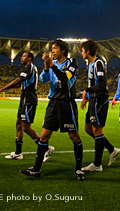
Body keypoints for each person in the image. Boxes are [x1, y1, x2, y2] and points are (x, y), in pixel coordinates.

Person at [20, 39, 85, 180]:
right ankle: (36, 169)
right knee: (43, 137)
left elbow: (65, 78)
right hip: (53, 104)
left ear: (63, 50)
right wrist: (47, 67)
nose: (53, 51)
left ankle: (78, 169)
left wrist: (52, 66)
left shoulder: (72, 63)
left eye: (55, 48)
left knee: (74, 137)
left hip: (67, 105)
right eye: (52, 48)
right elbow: (43, 80)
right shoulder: (52, 64)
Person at [0, 52, 54, 160]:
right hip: (24, 101)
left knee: (25, 127)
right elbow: (18, 84)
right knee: (18, 125)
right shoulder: (27, 68)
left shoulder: (30, 67)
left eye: (24, 56)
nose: (21, 58)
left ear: (30, 58)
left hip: (29, 101)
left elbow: (18, 80)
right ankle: (18, 153)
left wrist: (3, 88)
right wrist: (5, 87)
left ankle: (46, 148)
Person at [79, 39, 120, 172]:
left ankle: (97, 165)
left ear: (88, 51)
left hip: (99, 100)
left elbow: (102, 84)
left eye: (83, 50)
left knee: (97, 130)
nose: (82, 53)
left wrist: (86, 91)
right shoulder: (90, 65)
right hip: (93, 100)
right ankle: (112, 149)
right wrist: (87, 95)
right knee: (88, 128)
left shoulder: (98, 63)